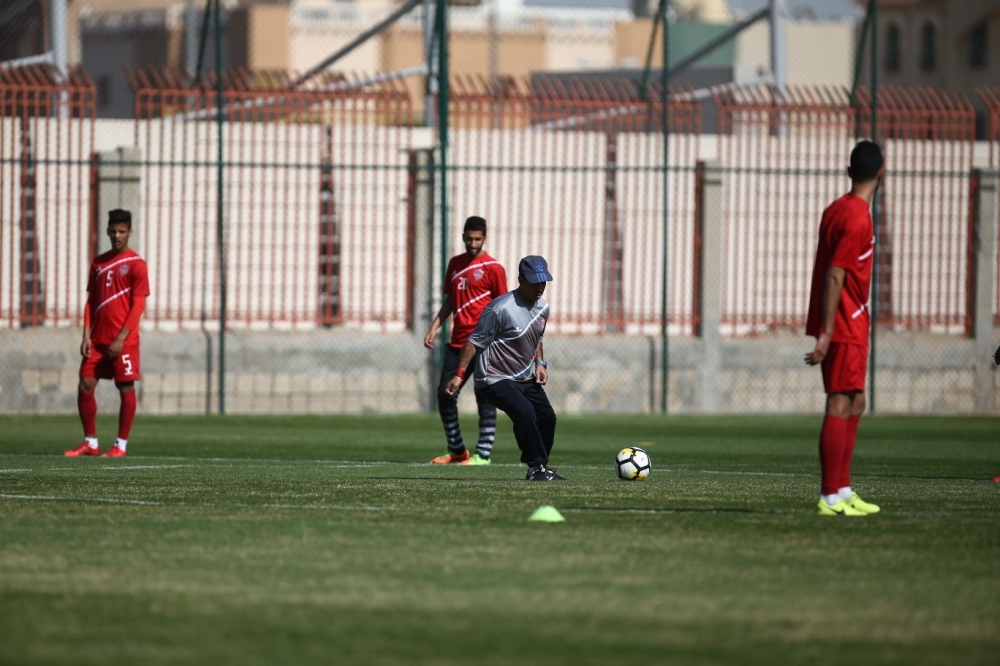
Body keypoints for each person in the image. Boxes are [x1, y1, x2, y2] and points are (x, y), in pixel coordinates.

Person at [804, 141, 884, 516]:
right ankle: (828, 497)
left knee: (856, 401)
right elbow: (834, 275)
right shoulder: (856, 217)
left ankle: (844, 490)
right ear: (881, 175)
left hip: (852, 321)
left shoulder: (837, 209)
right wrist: (827, 331)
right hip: (845, 324)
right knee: (839, 401)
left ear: (849, 171)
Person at [445, 255, 563, 481]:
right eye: (534, 281)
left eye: (543, 281)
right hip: (493, 378)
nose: (540, 287)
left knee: (547, 418)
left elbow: (536, 336)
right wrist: (459, 375)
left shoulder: (543, 308)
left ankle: (538, 468)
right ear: (520, 279)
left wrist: (540, 363)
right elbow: (474, 341)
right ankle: (536, 466)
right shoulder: (499, 308)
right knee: (525, 411)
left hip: (523, 377)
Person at [64, 209, 150, 458]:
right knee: (85, 384)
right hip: (98, 341)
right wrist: (85, 335)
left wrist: (121, 338)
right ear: (107, 231)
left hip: (124, 342)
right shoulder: (98, 263)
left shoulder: (137, 265)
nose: (117, 236)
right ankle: (90, 442)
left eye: (122, 231)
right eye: (113, 231)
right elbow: (91, 301)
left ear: (130, 232)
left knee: (125, 388)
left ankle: (120, 445)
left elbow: (138, 305)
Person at [425, 216, 508, 465]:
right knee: (445, 394)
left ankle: (483, 454)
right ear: (463, 236)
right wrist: (434, 327)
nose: (473, 243)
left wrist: (501, 340)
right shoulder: (455, 264)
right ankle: (457, 450)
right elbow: (450, 299)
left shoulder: (494, 268)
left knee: (485, 395)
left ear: (484, 238)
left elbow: (503, 307)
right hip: (458, 342)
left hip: (484, 344)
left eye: (477, 239)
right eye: (469, 239)